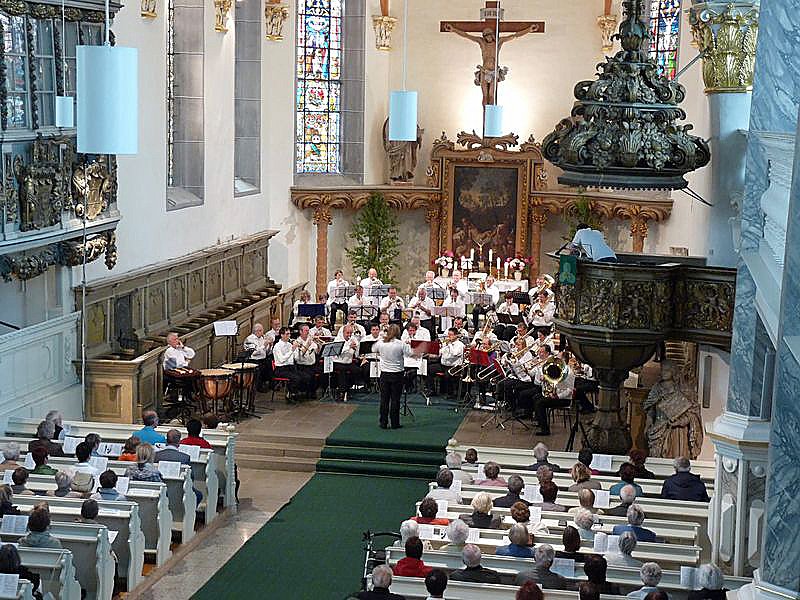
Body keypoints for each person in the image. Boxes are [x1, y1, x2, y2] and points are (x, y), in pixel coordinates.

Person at [373, 324, 414, 429]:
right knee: (395, 399)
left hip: (384, 374)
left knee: (384, 399)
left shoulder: (381, 343)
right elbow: (410, 354)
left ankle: (383, 422)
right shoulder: (401, 344)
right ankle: (395, 423)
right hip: (397, 374)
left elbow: (373, 349)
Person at [425, 327, 464, 397]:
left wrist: (449, 345)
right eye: (448, 334)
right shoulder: (445, 344)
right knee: (429, 368)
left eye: (451, 335)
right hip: (443, 365)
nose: (449, 336)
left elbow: (454, 354)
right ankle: (432, 390)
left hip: (454, 367)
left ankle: (450, 393)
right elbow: (440, 353)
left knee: (447, 375)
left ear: (456, 335)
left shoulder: (459, 345)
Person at [333, 324, 361, 402]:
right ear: (343, 332)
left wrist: (356, 348)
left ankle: (348, 388)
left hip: (348, 362)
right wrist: (349, 346)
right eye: (347, 333)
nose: (349, 335)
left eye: (350, 333)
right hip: (338, 362)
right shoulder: (338, 340)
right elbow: (338, 352)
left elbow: (357, 354)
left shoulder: (353, 339)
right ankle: (341, 392)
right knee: (342, 371)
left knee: (357, 370)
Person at [292, 324, 320, 400]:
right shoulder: (297, 342)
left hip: (312, 364)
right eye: (306, 330)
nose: (308, 332)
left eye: (308, 330)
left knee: (322, 373)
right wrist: (307, 345)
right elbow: (300, 356)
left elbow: (317, 352)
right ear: (300, 332)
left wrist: (318, 344)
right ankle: (307, 392)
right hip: (302, 366)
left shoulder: (310, 339)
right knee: (309, 375)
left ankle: (313, 391)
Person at [243, 322, 272, 391]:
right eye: (262, 330)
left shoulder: (262, 338)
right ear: (257, 331)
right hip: (254, 360)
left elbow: (266, 352)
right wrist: (264, 345)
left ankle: (270, 384)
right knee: (259, 368)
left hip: (263, 359)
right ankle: (259, 386)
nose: (263, 332)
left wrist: (270, 345)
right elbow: (254, 353)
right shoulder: (249, 339)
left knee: (270, 364)